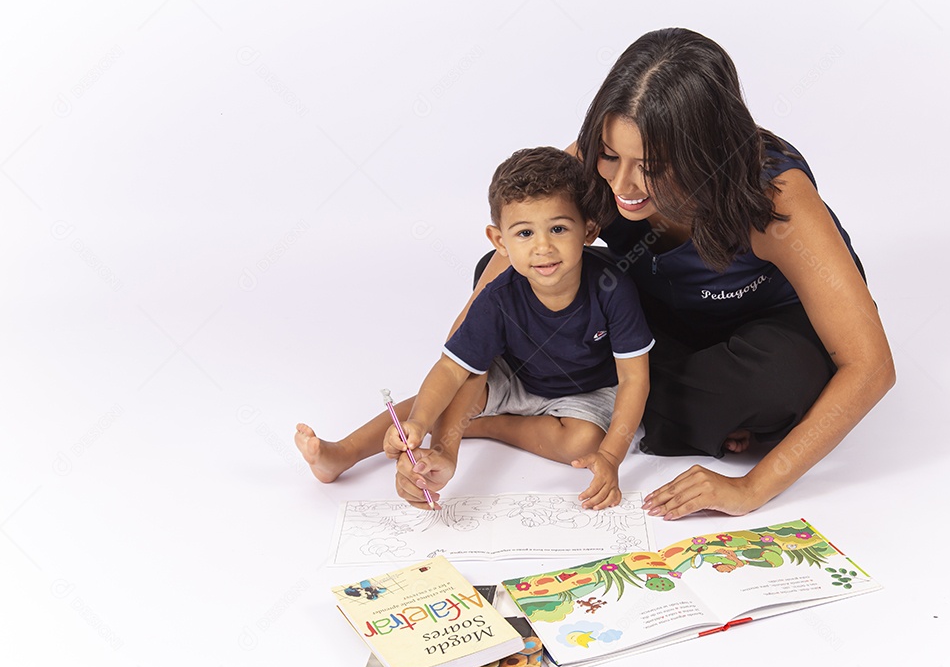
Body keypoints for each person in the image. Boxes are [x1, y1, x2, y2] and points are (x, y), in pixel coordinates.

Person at [469, 28, 895, 520]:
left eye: (649, 166)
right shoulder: (596, 164)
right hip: (659, 320)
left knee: (781, 383)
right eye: (610, 155)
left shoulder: (776, 196)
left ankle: (592, 396)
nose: (622, 184)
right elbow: (500, 271)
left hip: (764, 331)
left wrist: (751, 488)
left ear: (705, 156)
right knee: (520, 279)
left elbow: (871, 366)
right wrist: (446, 389)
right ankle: (679, 411)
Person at [295, 146, 653, 510]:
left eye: (558, 228)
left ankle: (481, 425)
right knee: (461, 382)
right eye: (525, 233)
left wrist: (610, 457)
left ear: (588, 230)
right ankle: (344, 452)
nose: (543, 247)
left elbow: (634, 380)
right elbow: (452, 367)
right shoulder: (499, 297)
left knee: (585, 443)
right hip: (518, 377)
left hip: (588, 389)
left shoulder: (613, 289)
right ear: (500, 241)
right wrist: (420, 421)